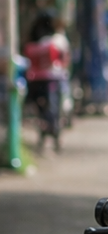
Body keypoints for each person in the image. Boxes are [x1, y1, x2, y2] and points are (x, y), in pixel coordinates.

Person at [23, 12, 70, 149]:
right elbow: (65, 60)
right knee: (53, 110)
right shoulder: (57, 41)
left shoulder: (33, 40)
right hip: (53, 79)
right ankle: (54, 135)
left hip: (35, 80)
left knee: (41, 110)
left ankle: (44, 136)